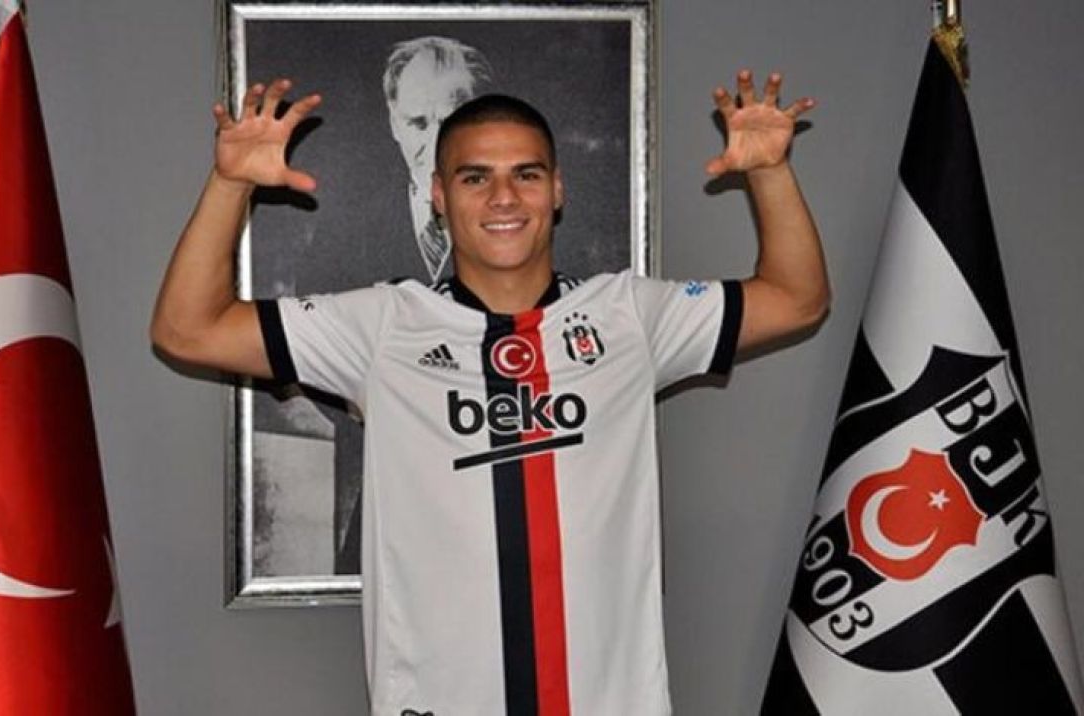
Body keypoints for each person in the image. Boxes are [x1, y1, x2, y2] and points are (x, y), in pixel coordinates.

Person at [152, 72, 828, 714]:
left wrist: (770, 172)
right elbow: (187, 330)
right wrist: (230, 184)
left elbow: (797, 299)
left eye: (525, 175)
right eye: (475, 177)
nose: (504, 198)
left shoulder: (630, 316)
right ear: (438, 196)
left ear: (556, 190)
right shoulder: (384, 326)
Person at [383, 36, 494, 281]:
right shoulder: (345, 228)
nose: (435, 145)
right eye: (418, 123)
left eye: (450, 123)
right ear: (394, 123)